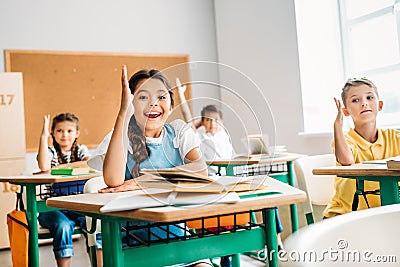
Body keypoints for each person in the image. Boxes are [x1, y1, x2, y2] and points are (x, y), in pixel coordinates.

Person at [98, 65, 211, 267]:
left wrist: (147, 181)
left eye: (161, 97)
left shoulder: (178, 131)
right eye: (142, 97)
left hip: (179, 237)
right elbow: (113, 180)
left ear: (171, 103)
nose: (153, 104)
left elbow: (200, 170)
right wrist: (123, 112)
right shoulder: (118, 138)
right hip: (134, 243)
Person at [177, 83, 284, 266]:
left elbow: (233, 159)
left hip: (234, 180)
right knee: (226, 222)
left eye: (215, 120)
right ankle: (229, 255)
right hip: (214, 185)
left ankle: (277, 240)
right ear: (202, 122)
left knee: (269, 196)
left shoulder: (224, 136)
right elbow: (188, 121)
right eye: (207, 120)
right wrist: (181, 95)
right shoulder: (200, 137)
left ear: (222, 121)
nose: (212, 124)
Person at [323, 77, 400, 218]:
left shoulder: (395, 137)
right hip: (346, 215)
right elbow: (347, 161)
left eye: (369, 97)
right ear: (345, 111)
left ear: (380, 105)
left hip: (384, 214)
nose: (364, 103)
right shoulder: (344, 140)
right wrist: (337, 126)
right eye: (355, 100)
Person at [36, 112, 100, 267]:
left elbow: (88, 164)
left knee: (94, 225)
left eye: (69, 131)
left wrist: (57, 168)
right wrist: (43, 137)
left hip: (77, 204)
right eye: (59, 131)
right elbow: (44, 166)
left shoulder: (81, 150)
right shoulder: (50, 152)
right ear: (53, 133)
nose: (64, 135)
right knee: (63, 226)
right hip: (52, 207)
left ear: (77, 133)